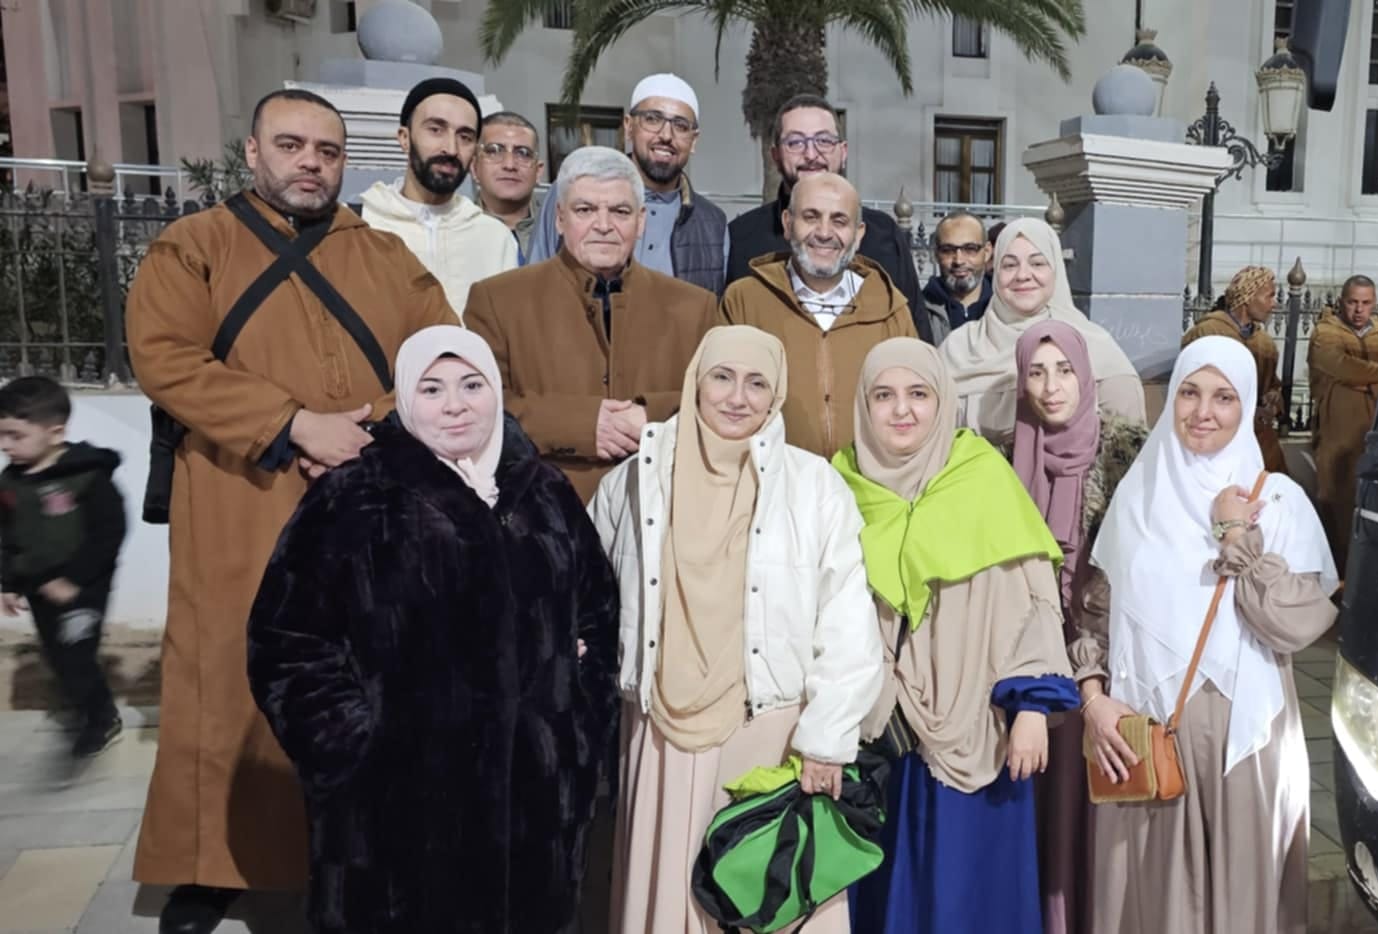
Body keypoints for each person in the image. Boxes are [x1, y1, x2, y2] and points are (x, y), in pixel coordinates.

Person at [125, 86, 459, 934]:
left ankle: (348, 854)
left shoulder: (384, 255)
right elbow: (164, 356)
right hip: (239, 494)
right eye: (291, 145)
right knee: (224, 673)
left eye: (327, 150)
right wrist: (292, 424)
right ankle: (209, 865)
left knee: (361, 675)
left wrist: (373, 430)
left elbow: (443, 353)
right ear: (252, 152)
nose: (310, 163)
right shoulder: (194, 245)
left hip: (367, 498)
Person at [248, 326, 619, 934]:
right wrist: (355, 751)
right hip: (396, 818)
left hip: (537, 808)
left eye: (472, 385)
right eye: (432, 389)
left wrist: (578, 722)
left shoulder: (545, 492)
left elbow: (598, 614)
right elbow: (287, 642)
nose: (455, 405)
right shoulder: (353, 496)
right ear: (405, 400)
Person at [588, 326, 883, 933]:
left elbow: (848, 619)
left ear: (777, 395)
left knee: (763, 900)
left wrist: (826, 738)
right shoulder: (634, 481)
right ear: (696, 382)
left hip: (771, 730)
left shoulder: (814, 486)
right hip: (660, 731)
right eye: (722, 377)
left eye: (757, 383)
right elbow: (589, 593)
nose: (737, 397)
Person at [1076, 336, 1339, 934]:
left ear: (1246, 404)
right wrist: (1092, 700)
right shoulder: (1137, 497)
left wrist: (1235, 535)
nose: (1202, 412)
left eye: (1224, 397)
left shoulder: (1279, 502)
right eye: (1189, 393)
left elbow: (1292, 625)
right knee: (1148, 889)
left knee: (1237, 889)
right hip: (1145, 732)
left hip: (1241, 735)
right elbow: (1096, 617)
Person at [835, 339, 1078, 934]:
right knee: (884, 890)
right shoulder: (839, 485)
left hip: (978, 731)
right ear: (862, 405)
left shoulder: (982, 478)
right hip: (878, 739)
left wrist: (1031, 709)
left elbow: (1034, 602)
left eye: (919, 394)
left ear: (943, 401)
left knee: (970, 896)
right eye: (884, 395)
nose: (902, 410)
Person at [467, 145, 721, 502]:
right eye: (585, 210)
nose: (603, 225)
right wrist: (581, 425)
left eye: (620, 211)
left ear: (641, 221)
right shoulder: (497, 300)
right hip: (542, 512)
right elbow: (479, 407)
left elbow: (719, 401)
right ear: (559, 218)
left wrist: (651, 416)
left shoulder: (695, 307)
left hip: (659, 510)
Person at [1008, 322, 1147, 934]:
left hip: (1107, 673)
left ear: (1086, 374)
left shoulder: (1128, 458)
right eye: (1037, 372)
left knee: (1096, 821)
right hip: (1029, 672)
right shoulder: (1000, 462)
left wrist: (1091, 681)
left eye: (1064, 370)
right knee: (1039, 816)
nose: (1051, 386)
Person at [721, 172, 919, 458]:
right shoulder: (745, 301)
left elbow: (914, 408)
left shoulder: (891, 310)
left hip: (867, 481)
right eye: (811, 217)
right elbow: (720, 403)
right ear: (787, 224)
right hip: (771, 478)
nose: (824, 233)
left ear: (858, 234)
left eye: (839, 221)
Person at [724, 95, 927, 341]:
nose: (811, 154)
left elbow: (915, 335)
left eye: (824, 140)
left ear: (843, 152)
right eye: (795, 142)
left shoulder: (884, 236)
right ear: (775, 155)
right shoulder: (741, 237)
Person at [0, 376, 126, 758]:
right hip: (38, 586)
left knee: (76, 653)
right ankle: (87, 705)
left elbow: (110, 531)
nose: (5, 445)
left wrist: (73, 580)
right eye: (1, 435)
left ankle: (102, 718)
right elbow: (6, 536)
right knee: (57, 656)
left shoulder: (86, 475)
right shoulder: (10, 483)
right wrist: (8, 583)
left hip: (83, 588)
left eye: (15, 435)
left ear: (55, 433)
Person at [940, 218, 1144, 447]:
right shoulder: (959, 348)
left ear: (1055, 269)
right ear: (995, 271)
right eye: (1009, 265)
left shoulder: (1094, 346)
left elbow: (1125, 449)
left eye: (1037, 263)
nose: (1023, 275)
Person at [528, 75, 731, 294]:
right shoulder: (571, 191)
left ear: (694, 140)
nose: (666, 135)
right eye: (652, 119)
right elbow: (534, 288)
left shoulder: (713, 224)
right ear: (629, 127)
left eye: (681, 126)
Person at [358, 78, 520, 316]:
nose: (451, 149)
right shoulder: (363, 226)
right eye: (436, 130)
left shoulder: (495, 238)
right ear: (404, 138)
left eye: (465, 137)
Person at [1308, 275, 1378, 570]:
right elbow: (1338, 365)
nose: (1359, 310)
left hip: (1375, 430)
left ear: (1375, 303)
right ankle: (1336, 569)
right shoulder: (1326, 333)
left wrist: (1360, 381)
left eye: (1365, 303)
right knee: (1335, 498)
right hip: (1336, 430)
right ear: (1342, 301)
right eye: (1352, 302)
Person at [1183, 266, 1288, 473]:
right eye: (1269, 296)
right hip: (1213, 437)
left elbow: (1272, 385)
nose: (1273, 304)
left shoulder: (1265, 343)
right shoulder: (1207, 333)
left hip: (1258, 439)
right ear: (1248, 297)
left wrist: (1273, 399)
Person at [474, 111, 546, 262]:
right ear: (474, 168)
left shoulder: (560, 232)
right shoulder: (451, 232)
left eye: (523, 153)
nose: (509, 165)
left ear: (538, 171)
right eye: (494, 151)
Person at [920, 211, 994, 337]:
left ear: (987, 252)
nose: (959, 261)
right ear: (935, 255)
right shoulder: (918, 311)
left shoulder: (1007, 309)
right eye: (948, 250)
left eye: (970, 249)